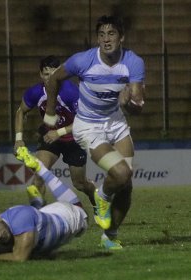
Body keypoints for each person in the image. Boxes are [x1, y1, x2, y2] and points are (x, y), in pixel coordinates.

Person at [44, 15, 146, 250]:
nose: (106, 39)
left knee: (126, 183)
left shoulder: (133, 62)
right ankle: (102, 195)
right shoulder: (83, 60)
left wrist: (127, 104)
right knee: (120, 173)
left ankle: (110, 236)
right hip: (88, 127)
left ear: (122, 37)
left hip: (117, 124)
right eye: (101, 34)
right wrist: (50, 111)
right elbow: (53, 80)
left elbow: (138, 107)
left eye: (111, 34)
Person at [0, 147, 88, 262]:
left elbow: (20, 258)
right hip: (45, 214)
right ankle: (37, 204)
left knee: (82, 212)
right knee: (36, 222)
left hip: (70, 216)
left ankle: (41, 169)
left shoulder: (20, 219)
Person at [14, 55, 96, 209]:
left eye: (53, 74)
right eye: (46, 74)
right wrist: (19, 139)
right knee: (39, 174)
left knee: (79, 183)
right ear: (40, 74)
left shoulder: (71, 92)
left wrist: (58, 132)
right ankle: (38, 217)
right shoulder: (35, 92)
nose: (49, 78)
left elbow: (84, 121)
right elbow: (20, 111)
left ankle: (95, 196)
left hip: (74, 139)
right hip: (50, 137)